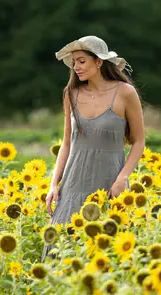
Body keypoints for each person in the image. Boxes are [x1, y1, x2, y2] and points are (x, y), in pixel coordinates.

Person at [42, 35, 145, 261]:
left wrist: (122, 178)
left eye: (81, 61)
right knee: (60, 249)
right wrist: (53, 184)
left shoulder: (125, 93)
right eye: (74, 62)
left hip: (110, 183)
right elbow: (66, 143)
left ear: (99, 62)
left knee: (108, 253)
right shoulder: (71, 94)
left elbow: (139, 142)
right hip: (74, 184)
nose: (76, 67)